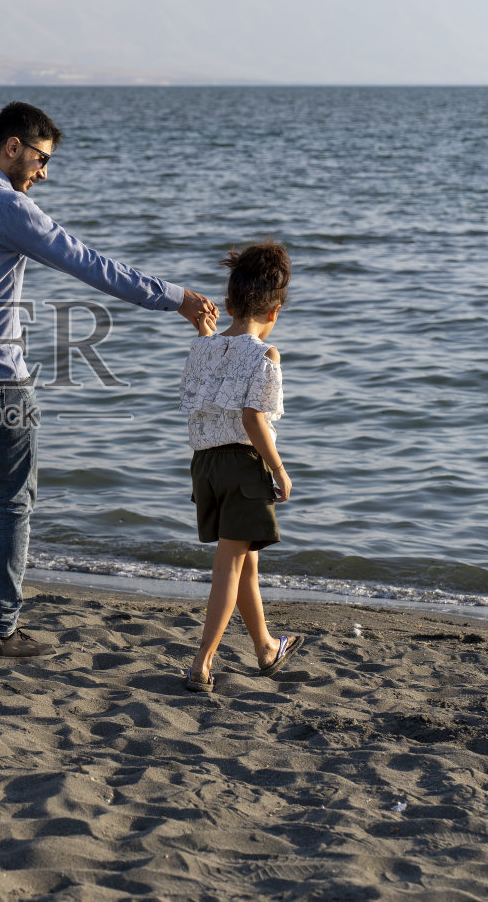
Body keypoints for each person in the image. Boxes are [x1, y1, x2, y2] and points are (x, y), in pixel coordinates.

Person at [0, 101, 219, 662]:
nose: (43, 172)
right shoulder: (10, 208)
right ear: (13, 146)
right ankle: (0, 631)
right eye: (41, 159)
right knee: (14, 502)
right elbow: (91, 264)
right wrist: (176, 298)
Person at [178, 240, 305, 692]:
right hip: (241, 467)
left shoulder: (201, 348)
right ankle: (201, 662)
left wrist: (207, 333)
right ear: (274, 313)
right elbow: (253, 419)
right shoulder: (265, 355)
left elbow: (202, 391)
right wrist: (279, 470)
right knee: (229, 566)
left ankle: (267, 648)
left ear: (229, 304)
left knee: (245, 560)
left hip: (204, 467)